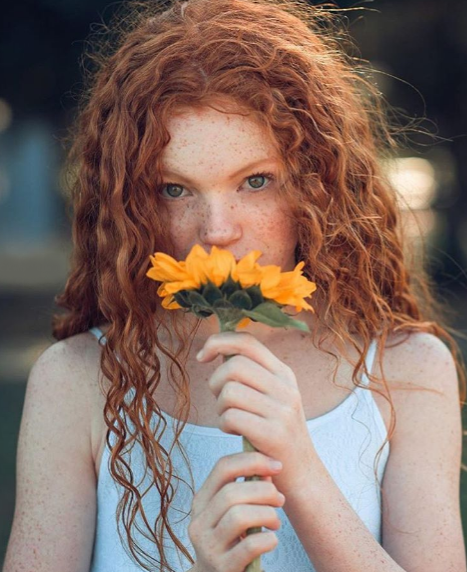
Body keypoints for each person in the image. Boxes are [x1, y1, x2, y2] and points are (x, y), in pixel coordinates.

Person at [3, 0, 466, 571]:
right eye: (175, 189)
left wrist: (300, 469)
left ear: (317, 184)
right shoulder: (75, 382)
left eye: (255, 181)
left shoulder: (407, 373)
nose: (216, 231)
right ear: (131, 205)